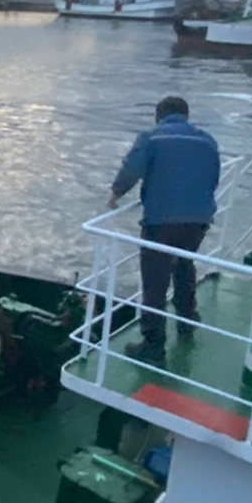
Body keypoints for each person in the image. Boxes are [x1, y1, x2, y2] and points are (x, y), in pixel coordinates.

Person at [108, 95, 220, 363]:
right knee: (184, 266)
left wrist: (115, 194)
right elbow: (213, 177)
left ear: (159, 116)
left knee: (155, 281)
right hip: (197, 220)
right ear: (186, 115)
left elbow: (131, 169)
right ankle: (187, 320)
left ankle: (153, 344)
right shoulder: (207, 140)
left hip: (162, 222)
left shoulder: (152, 138)